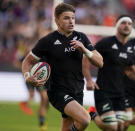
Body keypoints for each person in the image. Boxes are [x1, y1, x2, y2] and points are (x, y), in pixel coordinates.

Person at [21, 3, 103, 131]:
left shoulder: (81, 37)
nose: (71, 21)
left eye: (73, 18)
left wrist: (85, 50)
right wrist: (27, 76)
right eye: (66, 18)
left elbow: (100, 62)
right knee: (85, 119)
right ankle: (91, 113)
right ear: (57, 20)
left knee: (67, 127)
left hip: (77, 90)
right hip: (57, 92)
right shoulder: (47, 41)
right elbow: (27, 61)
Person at [83, 15, 135, 131]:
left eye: (129, 24)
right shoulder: (106, 42)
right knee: (112, 127)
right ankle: (92, 113)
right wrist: (88, 80)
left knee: (121, 127)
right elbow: (86, 57)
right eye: (123, 23)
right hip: (103, 91)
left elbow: (129, 70)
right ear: (117, 26)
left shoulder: (130, 48)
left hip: (120, 93)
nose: (126, 26)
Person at [14, 45, 49, 131]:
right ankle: (24, 104)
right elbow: (16, 63)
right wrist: (25, 71)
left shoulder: (40, 54)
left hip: (38, 77)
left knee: (44, 98)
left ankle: (42, 122)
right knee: (33, 96)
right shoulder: (25, 56)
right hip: (29, 77)